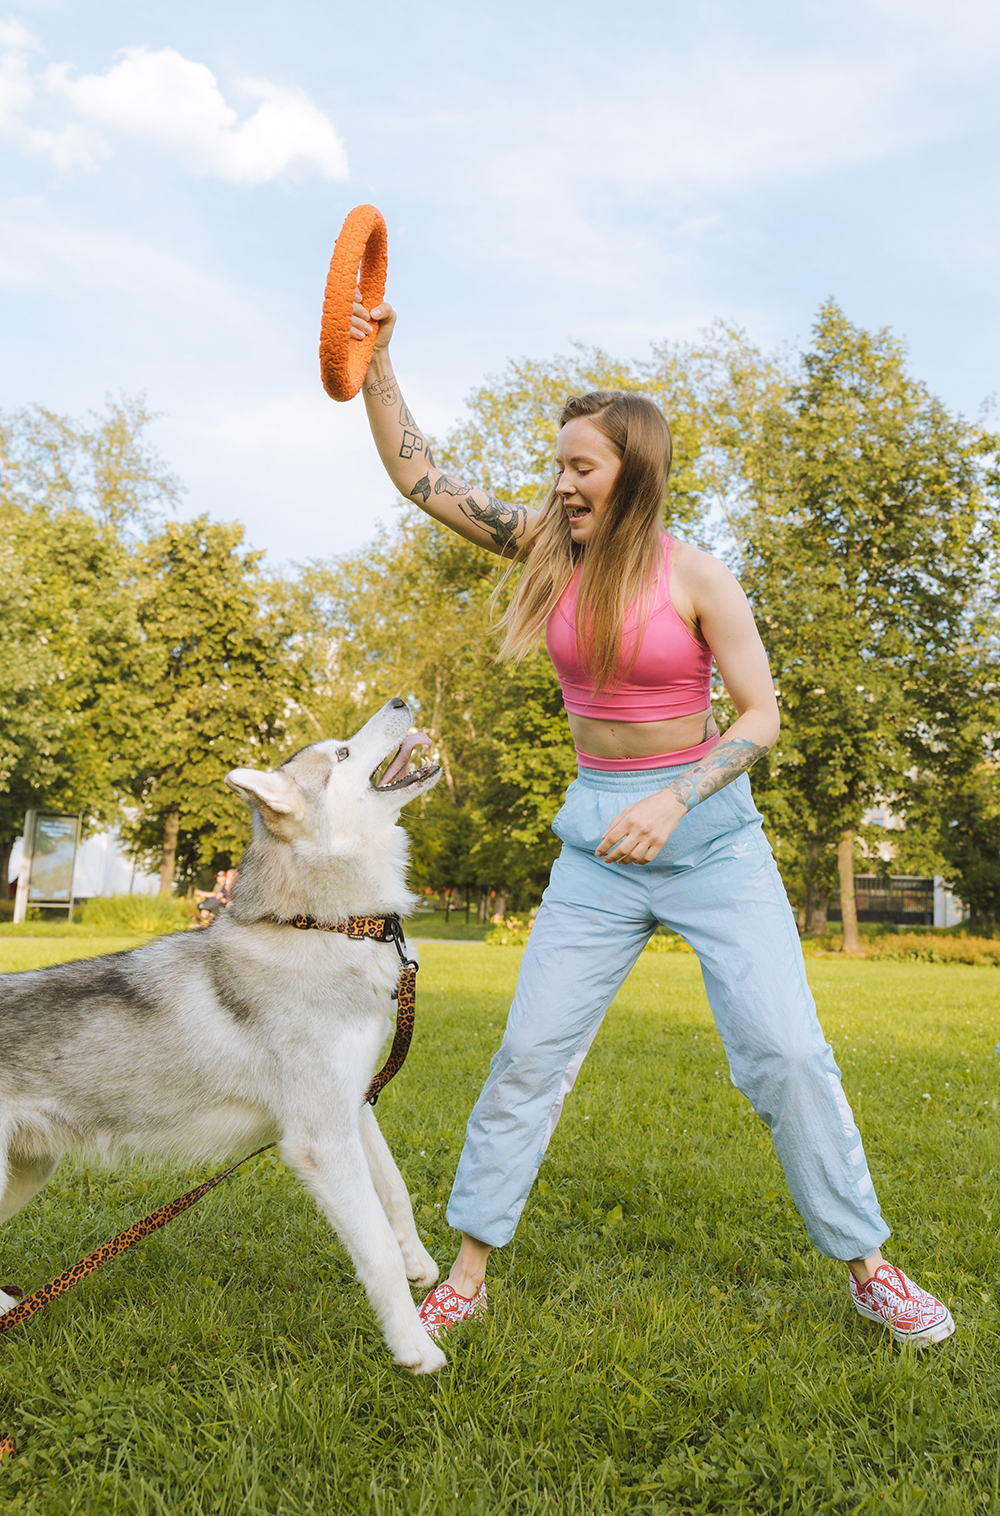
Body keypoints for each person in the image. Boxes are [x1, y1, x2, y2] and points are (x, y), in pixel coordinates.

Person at [349, 293, 955, 1347]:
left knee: (787, 1053)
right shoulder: (548, 550)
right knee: (529, 1053)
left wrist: (676, 794)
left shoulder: (698, 577)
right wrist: (379, 361)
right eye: (557, 464)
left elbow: (761, 716)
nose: (559, 482)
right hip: (597, 850)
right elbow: (419, 474)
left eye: (579, 465)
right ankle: (468, 1271)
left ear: (632, 469)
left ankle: (868, 1265)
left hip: (712, 843)